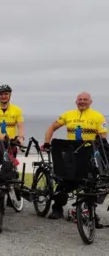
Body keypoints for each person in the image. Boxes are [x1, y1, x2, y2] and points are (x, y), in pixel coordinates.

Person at [44, 92, 107, 220]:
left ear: (90, 102)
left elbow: (103, 137)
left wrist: (101, 152)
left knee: (91, 184)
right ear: (76, 102)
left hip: (89, 153)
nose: (82, 102)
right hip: (71, 153)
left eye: (85, 99)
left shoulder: (98, 116)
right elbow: (52, 127)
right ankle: (57, 208)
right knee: (63, 180)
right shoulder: (69, 115)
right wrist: (46, 142)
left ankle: (89, 211)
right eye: (80, 100)